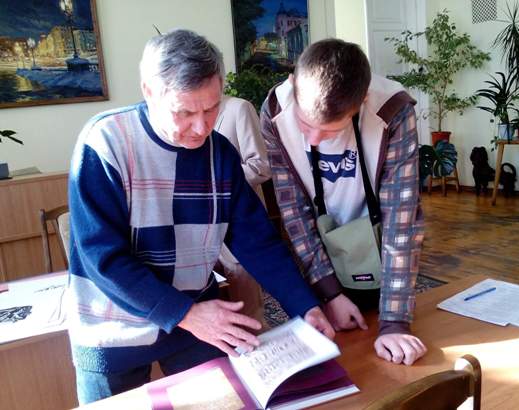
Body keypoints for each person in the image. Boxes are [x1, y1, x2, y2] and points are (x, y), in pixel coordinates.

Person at [67, 29, 334, 405]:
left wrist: (303, 305)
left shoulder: (220, 153)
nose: (201, 127)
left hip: (197, 318)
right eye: (185, 112)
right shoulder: (104, 142)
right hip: (114, 327)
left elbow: (257, 240)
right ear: (149, 91)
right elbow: (103, 259)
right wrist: (187, 313)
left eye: (212, 109)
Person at [260, 38, 427, 366]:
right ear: (293, 83)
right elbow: (294, 212)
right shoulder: (276, 111)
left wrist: (395, 321)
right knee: (334, 358)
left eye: (329, 132)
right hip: (318, 250)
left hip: (378, 248)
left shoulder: (392, 109)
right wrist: (330, 292)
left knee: (379, 355)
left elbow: (401, 218)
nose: (313, 139)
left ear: (362, 101)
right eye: (306, 125)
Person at [214, 95, 271, 328]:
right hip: (205, 226)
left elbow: (261, 166)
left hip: (239, 219)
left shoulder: (239, 108)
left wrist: (215, 182)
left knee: (247, 307)